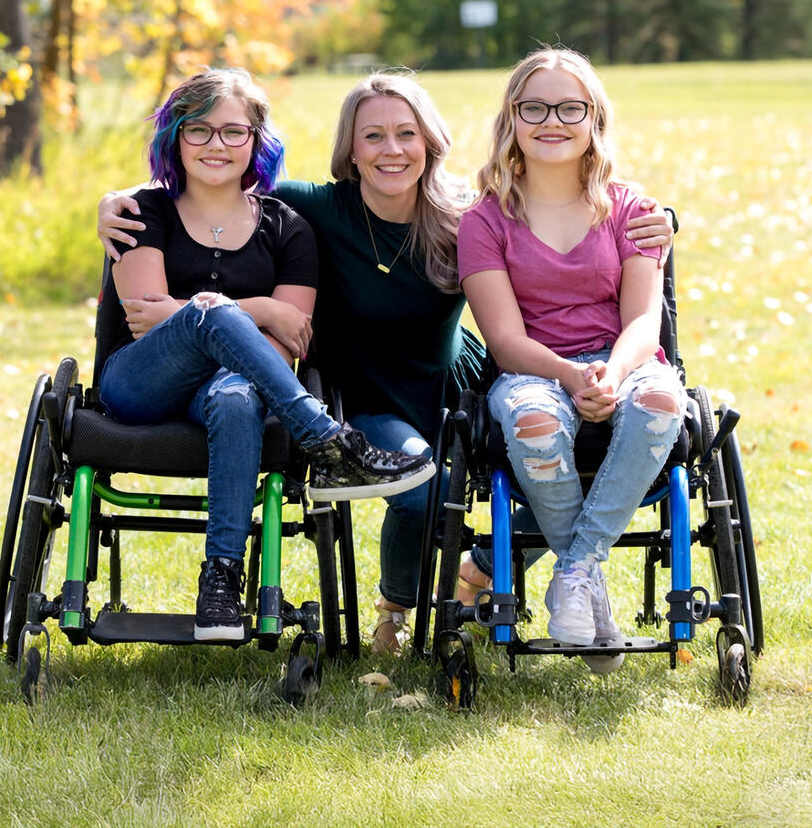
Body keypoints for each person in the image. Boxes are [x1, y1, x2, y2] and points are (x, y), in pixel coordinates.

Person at [98, 71, 675, 654]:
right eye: (373, 136)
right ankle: (395, 612)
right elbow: (212, 188)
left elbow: (563, 223)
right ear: (350, 148)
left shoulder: (464, 217)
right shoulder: (311, 209)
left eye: (406, 134)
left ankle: (477, 568)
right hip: (371, 395)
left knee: (566, 470)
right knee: (423, 483)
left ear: (430, 142)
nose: (391, 150)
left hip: (459, 385)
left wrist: (662, 225)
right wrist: (111, 203)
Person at [99, 68, 434, 643]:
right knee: (211, 311)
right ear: (175, 138)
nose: (216, 145)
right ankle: (327, 440)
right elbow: (144, 318)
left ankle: (222, 582)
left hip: (227, 391)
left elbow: (289, 342)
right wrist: (250, 308)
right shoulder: (141, 211)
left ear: (256, 140)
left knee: (236, 395)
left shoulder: (288, 228)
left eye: (233, 131)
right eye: (198, 130)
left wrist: (219, 316)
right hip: (139, 383)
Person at [457, 47, 687, 666]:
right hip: (532, 369)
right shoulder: (485, 221)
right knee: (533, 422)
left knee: (664, 399)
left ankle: (576, 570)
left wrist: (612, 373)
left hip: (626, 359)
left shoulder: (630, 209)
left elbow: (645, 318)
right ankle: (586, 587)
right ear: (512, 119)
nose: (551, 121)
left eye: (569, 107)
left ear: (594, 120)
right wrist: (569, 374)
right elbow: (504, 339)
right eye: (534, 107)